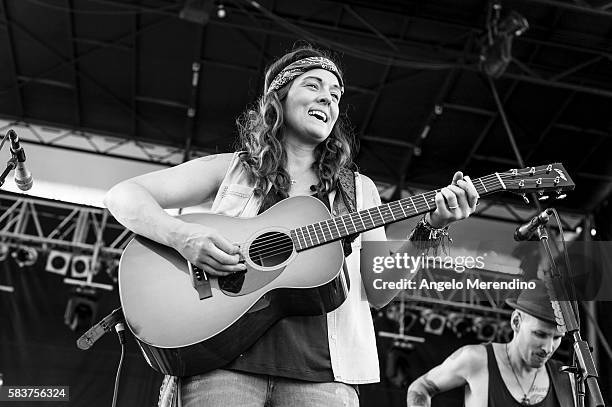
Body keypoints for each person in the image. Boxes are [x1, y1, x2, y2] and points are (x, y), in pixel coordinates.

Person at [104, 44, 479, 407]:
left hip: (323, 380)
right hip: (220, 366)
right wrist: (183, 236)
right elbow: (123, 195)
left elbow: (379, 291)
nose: (328, 99)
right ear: (277, 99)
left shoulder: (359, 191)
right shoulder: (234, 169)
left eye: (335, 94)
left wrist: (431, 228)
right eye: (313, 85)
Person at [406, 279, 575, 407]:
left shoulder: (565, 379)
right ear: (516, 322)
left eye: (556, 337)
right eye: (540, 334)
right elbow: (420, 387)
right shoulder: (476, 359)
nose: (548, 348)